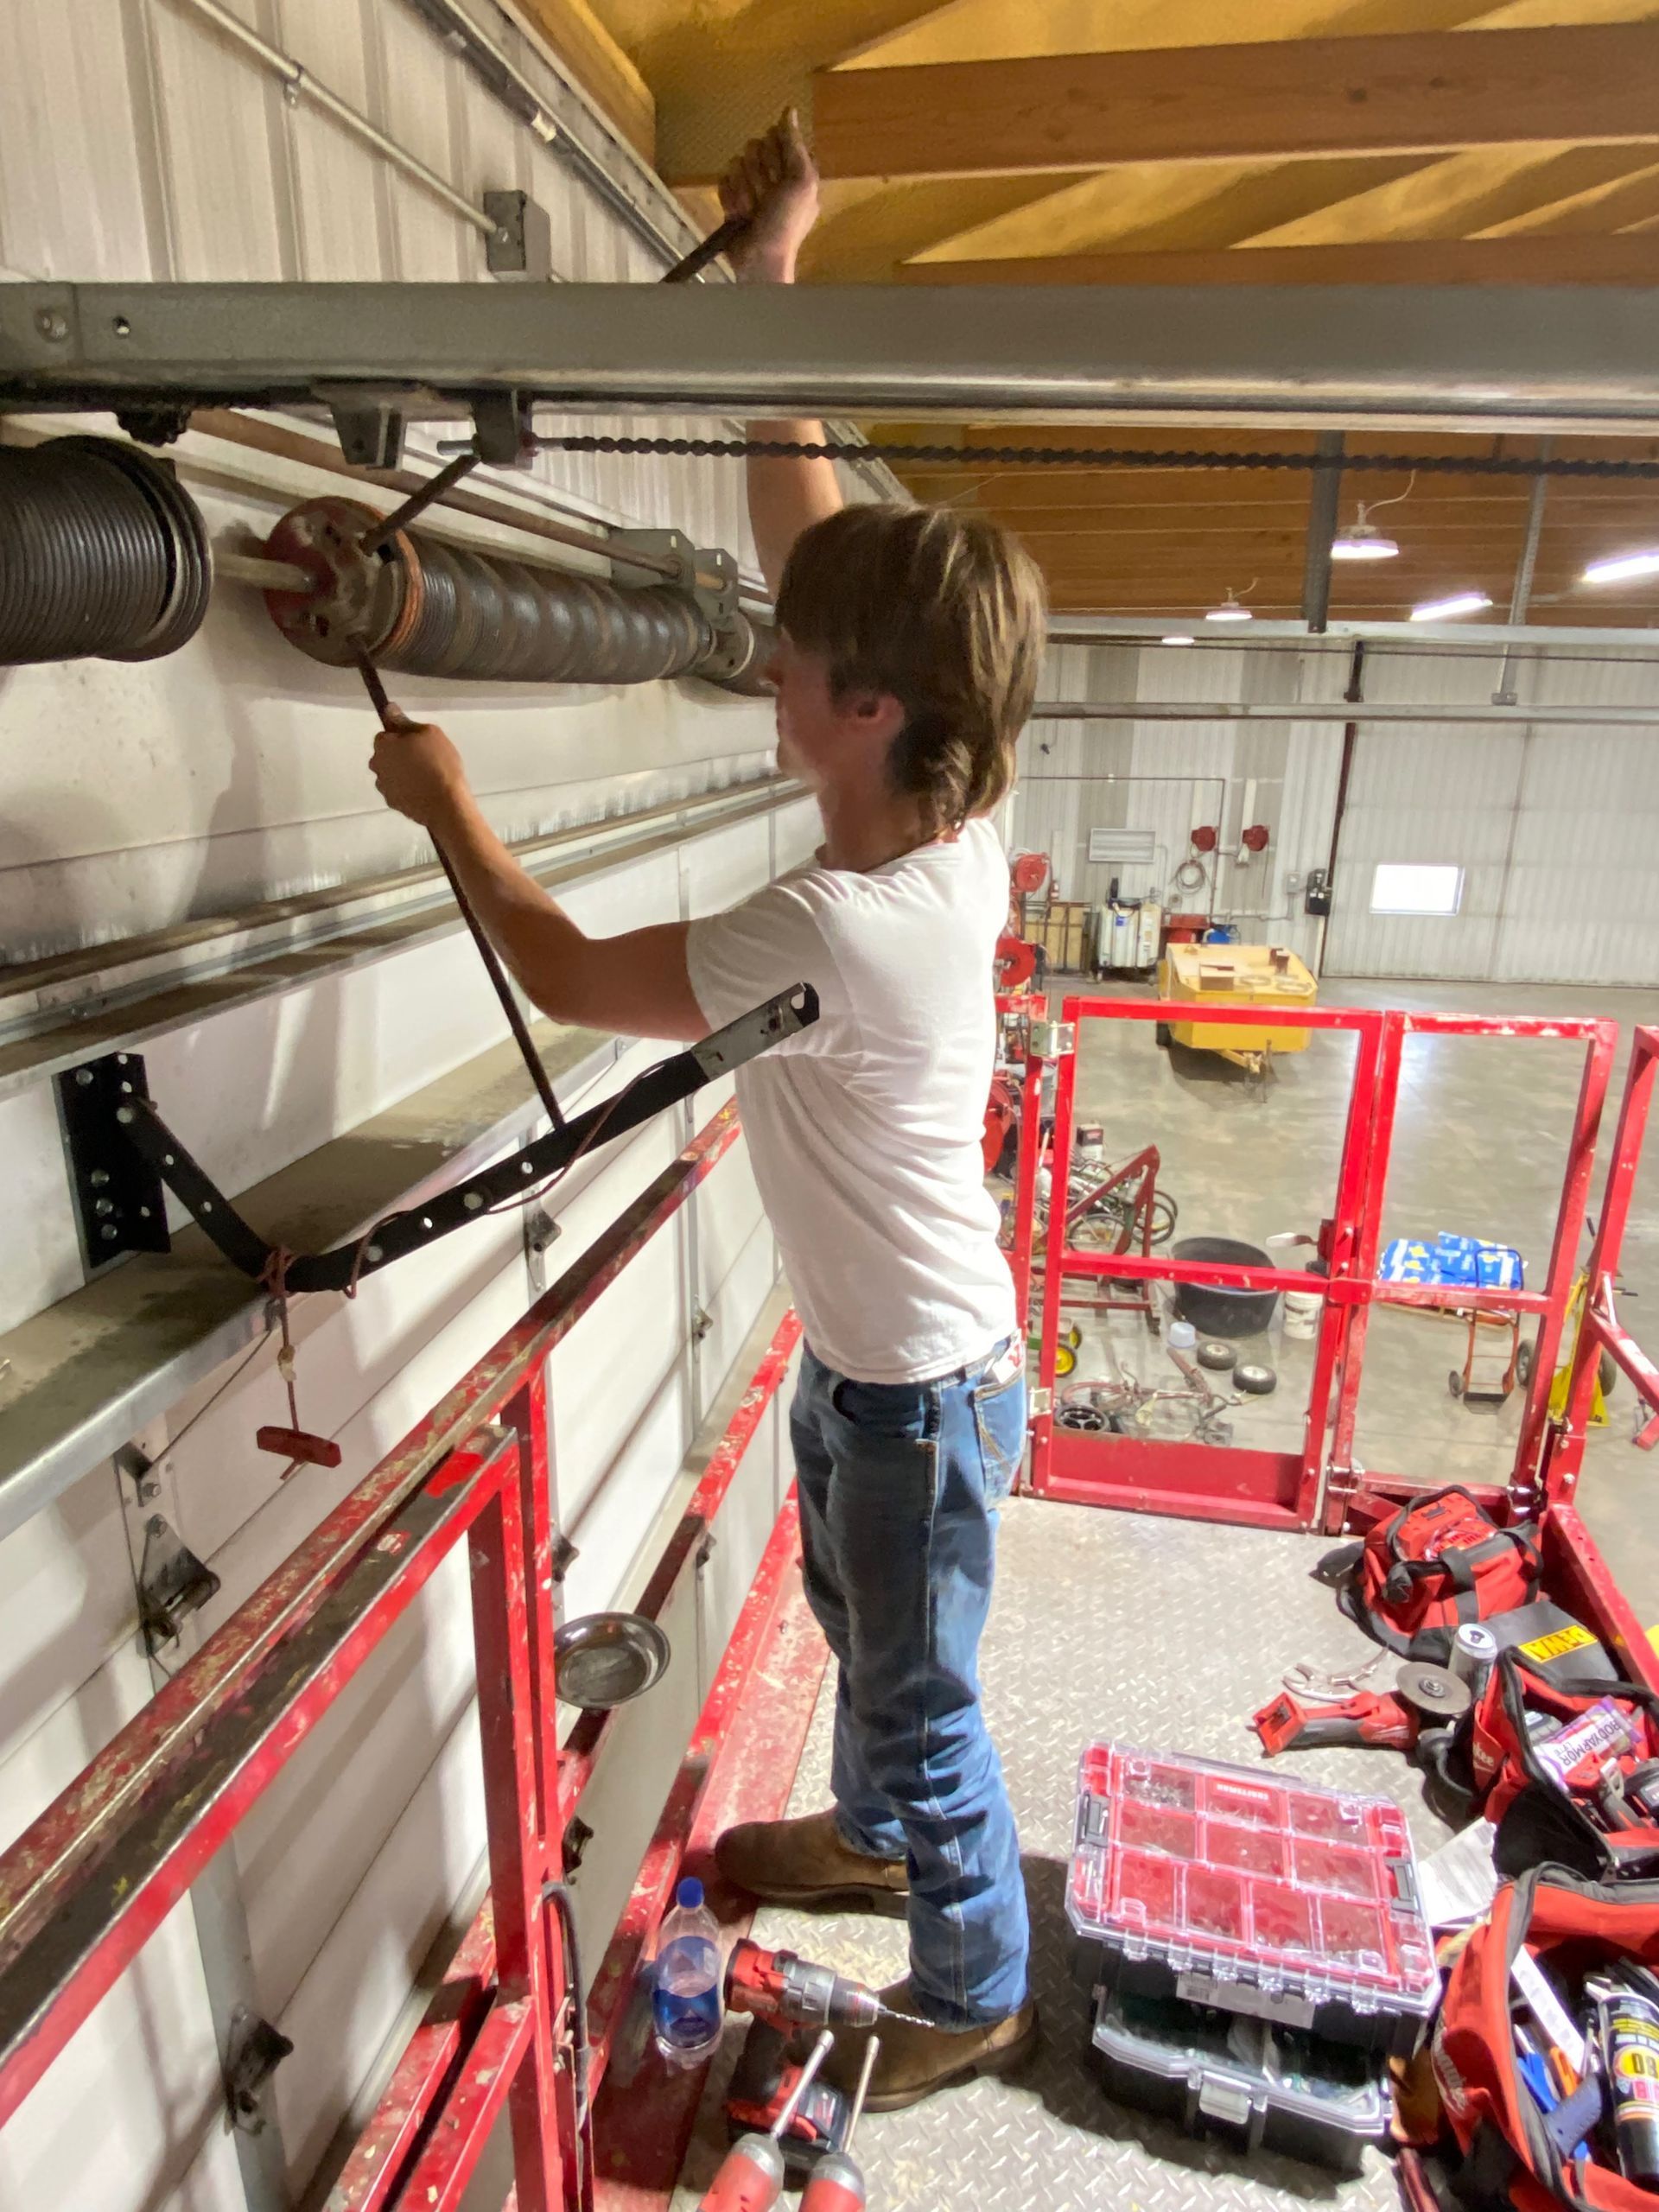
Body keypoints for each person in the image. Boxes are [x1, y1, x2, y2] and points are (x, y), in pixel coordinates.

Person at [367, 108, 1046, 2110]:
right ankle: (879, 1825)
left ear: (870, 716)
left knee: (921, 1697)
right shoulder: (959, 812)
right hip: (893, 1370)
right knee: (867, 1640)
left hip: (920, 1391)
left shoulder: (833, 924)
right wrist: (777, 277)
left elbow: (575, 982)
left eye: (803, 657)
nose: (773, 656)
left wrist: (450, 809)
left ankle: (975, 1971)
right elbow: (802, 529)